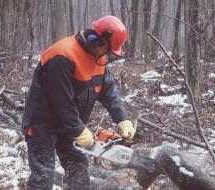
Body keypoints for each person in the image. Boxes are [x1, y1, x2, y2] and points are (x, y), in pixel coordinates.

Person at [21, 15, 136, 190]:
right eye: (109, 50)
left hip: (70, 123)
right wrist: (79, 129)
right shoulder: (62, 55)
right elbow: (60, 100)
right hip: (42, 124)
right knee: (43, 177)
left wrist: (122, 118)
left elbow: (108, 89)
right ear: (101, 42)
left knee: (79, 170)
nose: (108, 55)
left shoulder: (99, 58)